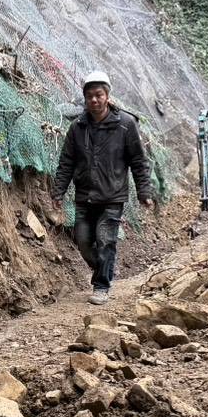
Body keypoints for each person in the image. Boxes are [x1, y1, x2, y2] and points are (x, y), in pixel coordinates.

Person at [51, 71, 154, 305]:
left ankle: (101, 286)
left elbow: (139, 161)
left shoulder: (126, 125)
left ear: (107, 96)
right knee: (83, 241)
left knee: (106, 239)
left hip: (112, 196)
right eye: (89, 96)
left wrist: (144, 192)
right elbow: (66, 162)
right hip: (84, 196)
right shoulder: (77, 127)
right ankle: (103, 270)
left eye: (99, 95)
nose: (94, 100)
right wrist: (58, 191)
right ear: (85, 99)